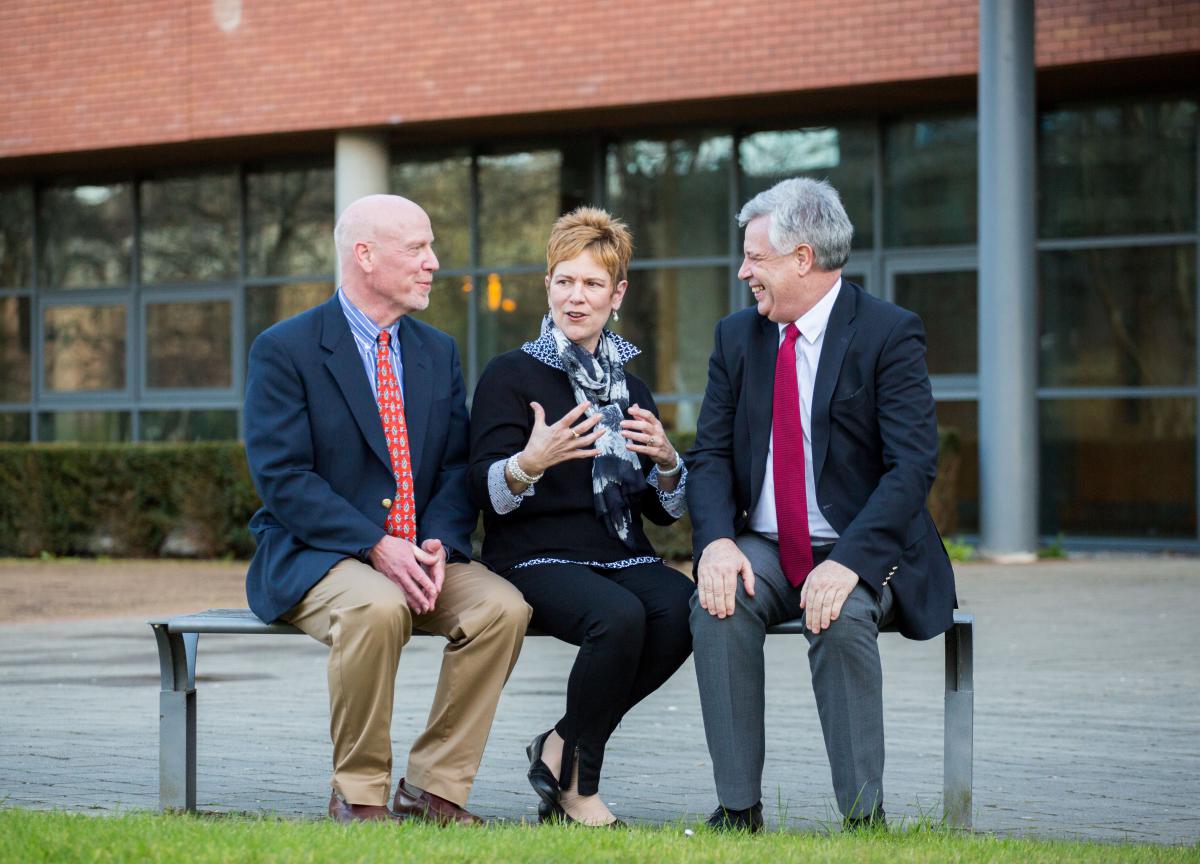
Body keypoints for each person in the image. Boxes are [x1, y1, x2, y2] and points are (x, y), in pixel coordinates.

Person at [243, 194, 530, 826]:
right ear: (365, 256)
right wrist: (376, 544)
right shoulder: (285, 349)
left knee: (502, 608)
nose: (434, 262)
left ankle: (432, 789)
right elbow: (283, 479)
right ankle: (361, 794)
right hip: (319, 553)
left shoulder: (437, 350)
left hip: (418, 550)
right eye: (417, 248)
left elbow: (457, 466)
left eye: (431, 247)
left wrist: (440, 543)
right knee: (377, 607)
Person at [687, 178, 957, 832]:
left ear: (802, 258)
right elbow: (711, 456)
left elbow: (912, 466)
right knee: (717, 604)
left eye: (755, 257)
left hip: (865, 545)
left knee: (837, 618)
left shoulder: (888, 333)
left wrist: (852, 562)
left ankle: (865, 820)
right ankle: (738, 810)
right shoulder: (737, 338)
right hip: (768, 546)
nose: (744, 271)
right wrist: (716, 542)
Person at [468, 207, 695, 827]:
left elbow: (659, 508)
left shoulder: (634, 388)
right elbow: (483, 492)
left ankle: (561, 745)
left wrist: (670, 462)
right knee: (617, 618)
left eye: (593, 284)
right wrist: (529, 462)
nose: (576, 297)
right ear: (547, 285)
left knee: (683, 610)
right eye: (564, 281)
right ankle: (576, 787)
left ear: (617, 294)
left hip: (620, 550)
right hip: (533, 555)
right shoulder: (511, 375)